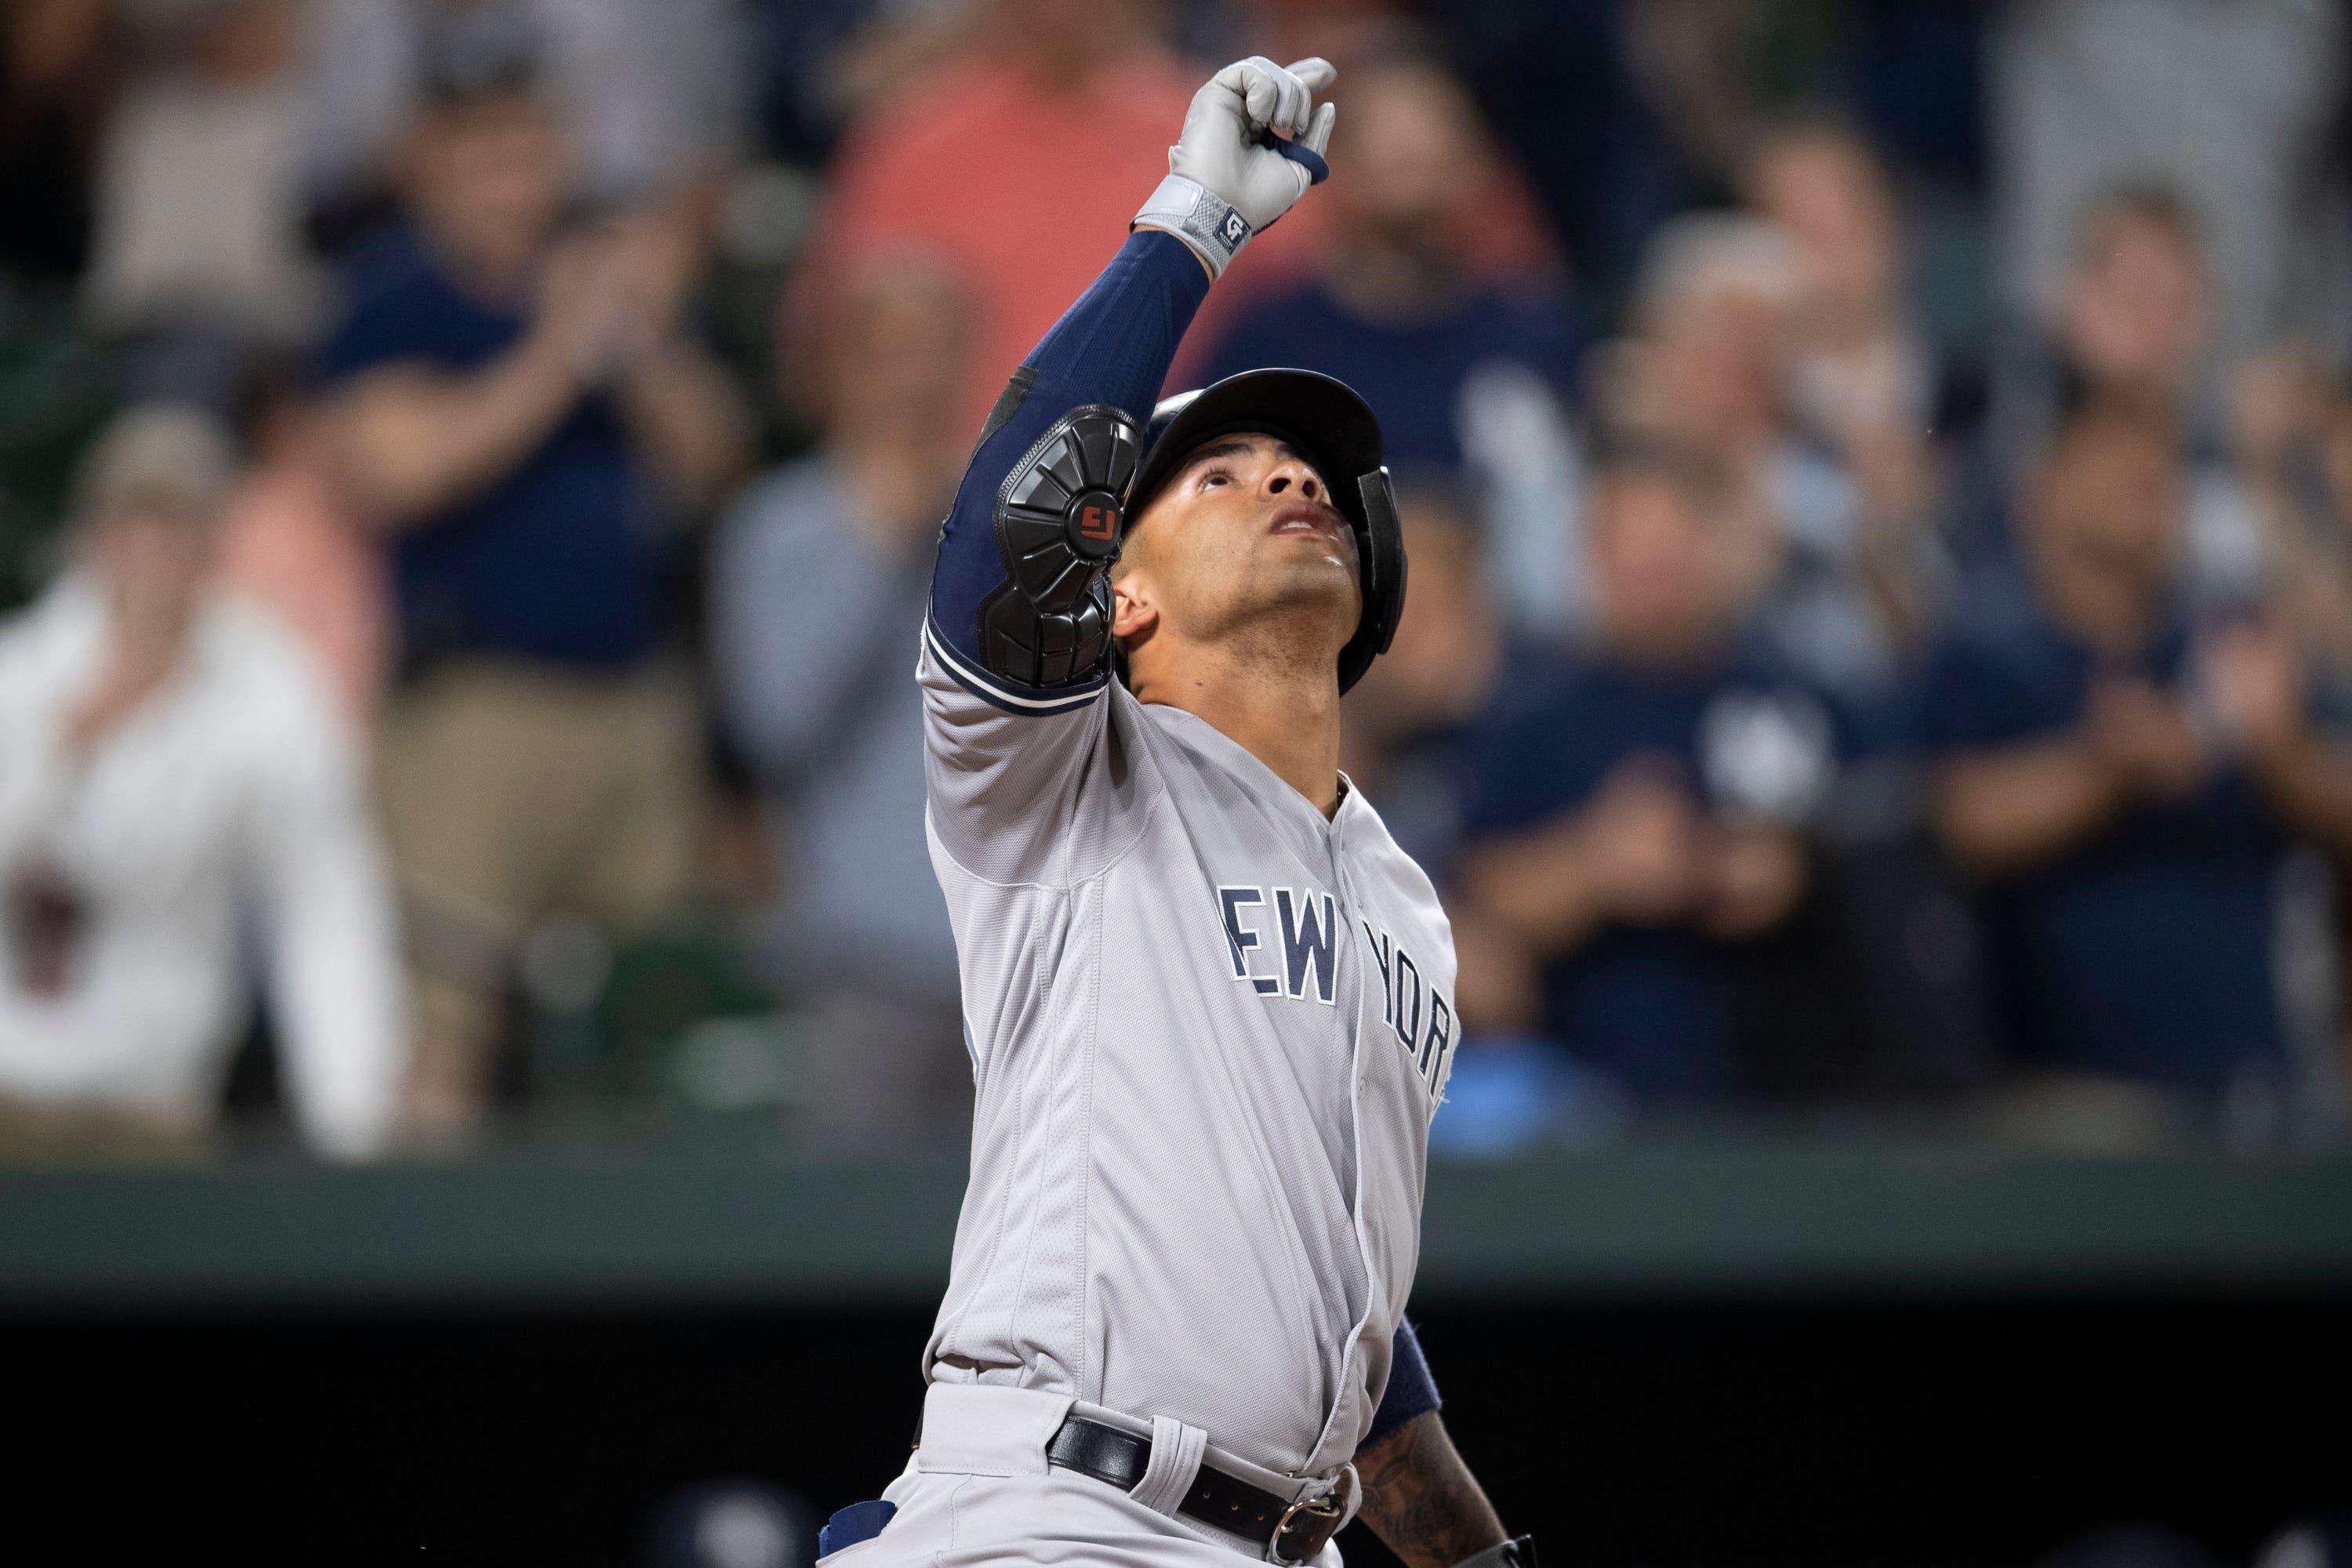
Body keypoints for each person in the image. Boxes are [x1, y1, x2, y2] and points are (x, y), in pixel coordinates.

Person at [818, 57, 1531, 1568]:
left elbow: (1337, 1299)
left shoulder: (1401, 894)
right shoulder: (1064, 779)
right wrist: (1189, 225)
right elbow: (1015, 522)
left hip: (1286, 1538)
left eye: (1306, 470)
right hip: (1054, 1511)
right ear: (1118, 589)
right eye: (1213, 471)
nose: (1284, 473)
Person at [315, 15, 750, 1131]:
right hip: (472, 712)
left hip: (629, 707)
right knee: (439, 1040)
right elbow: (389, 471)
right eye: (477, 151)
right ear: (428, 161)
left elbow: (714, 460)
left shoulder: (608, 282)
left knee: (643, 1035)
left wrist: (636, 340)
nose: (506, 177)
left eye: (523, 145)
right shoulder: (392, 295)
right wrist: (561, 352)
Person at [1918, 402, 2352, 1119]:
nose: (2140, 477)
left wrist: (2280, 754)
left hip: (2252, 1091)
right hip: (2055, 1093)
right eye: (2108, 455)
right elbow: (1948, 826)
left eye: (2158, 463)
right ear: (2041, 492)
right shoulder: (1983, 649)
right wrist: (2104, 770)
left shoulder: (2239, 645)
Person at [0, 405, 406, 1158]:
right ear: (93, 539)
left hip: (155, 1108)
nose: (154, 554)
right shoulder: (22, 675)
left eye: (178, 529)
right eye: (133, 526)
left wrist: (351, 1128)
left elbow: (326, 910)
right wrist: (74, 740)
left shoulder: (270, 690)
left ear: (215, 545)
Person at [1459, 441, 1829, 1105]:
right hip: (1583, 1099)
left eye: (1676, 545)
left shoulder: (1797, 696)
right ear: (1593, 553)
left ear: (1719, 547)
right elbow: (1472, 905)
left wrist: (1782, 866)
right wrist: (1594, 864)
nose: (1658, 571)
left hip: (1789, 1092)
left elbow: (1883, 854)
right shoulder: (1529, 718)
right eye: (1636, 550)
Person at [710, 253, 975, 1144]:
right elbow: (774, 723)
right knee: (860, 1248)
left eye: (934, 352)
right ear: (836, 369)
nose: (912, 379)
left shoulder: (1009, 523)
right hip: (862, 956)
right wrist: (880, 551)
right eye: (887, 352)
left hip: (1017, 955)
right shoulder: (774, 528)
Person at [1187, 53, 1581, 637]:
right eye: (1391, 154)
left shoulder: (1533, 334)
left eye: (1432, 153)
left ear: (1477, 168)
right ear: (1334, 167)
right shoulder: (1266, 339)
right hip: (1299, 639)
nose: (1412, 177)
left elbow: (1570, 540)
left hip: (1503, 659)